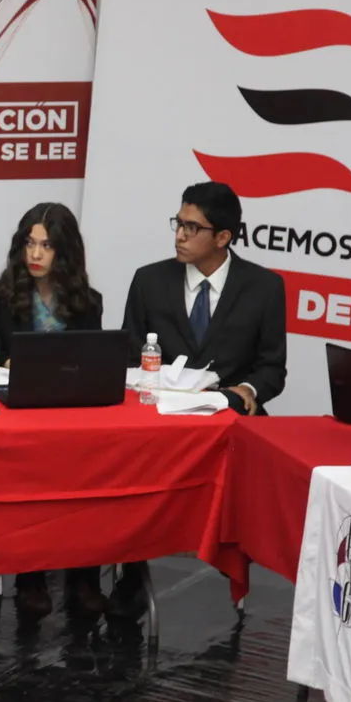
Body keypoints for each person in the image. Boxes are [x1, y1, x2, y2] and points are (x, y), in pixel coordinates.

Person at [117, 181, 287, 618]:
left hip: (224, 418)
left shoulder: (264, 287)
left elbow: (272, 368)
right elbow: (130, 355)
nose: (179, 235)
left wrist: (247, 391)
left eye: (193, 228)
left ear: (224, 237)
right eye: (178, 223)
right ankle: (130, 572)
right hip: (159, 417)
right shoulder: (149, 280)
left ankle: (234, 562)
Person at [0, 202, 105, 620]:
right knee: (31, 484)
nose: (35, 254)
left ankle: (84, 577)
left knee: (93, 482)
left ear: (65, 253)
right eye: (29, 243)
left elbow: (93, 360)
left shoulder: (88, 302)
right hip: (17, 415)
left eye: (46, 246)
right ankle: (29, 577)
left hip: (70, 417)